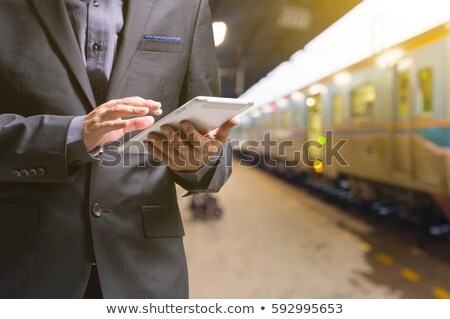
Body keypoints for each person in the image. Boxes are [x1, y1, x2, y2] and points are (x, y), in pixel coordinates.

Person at [0, 0, 237, 298]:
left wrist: (200, 160)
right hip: (24, 265)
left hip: (145, 270)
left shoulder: (187, 6)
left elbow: (212, 136)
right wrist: (73, 135)